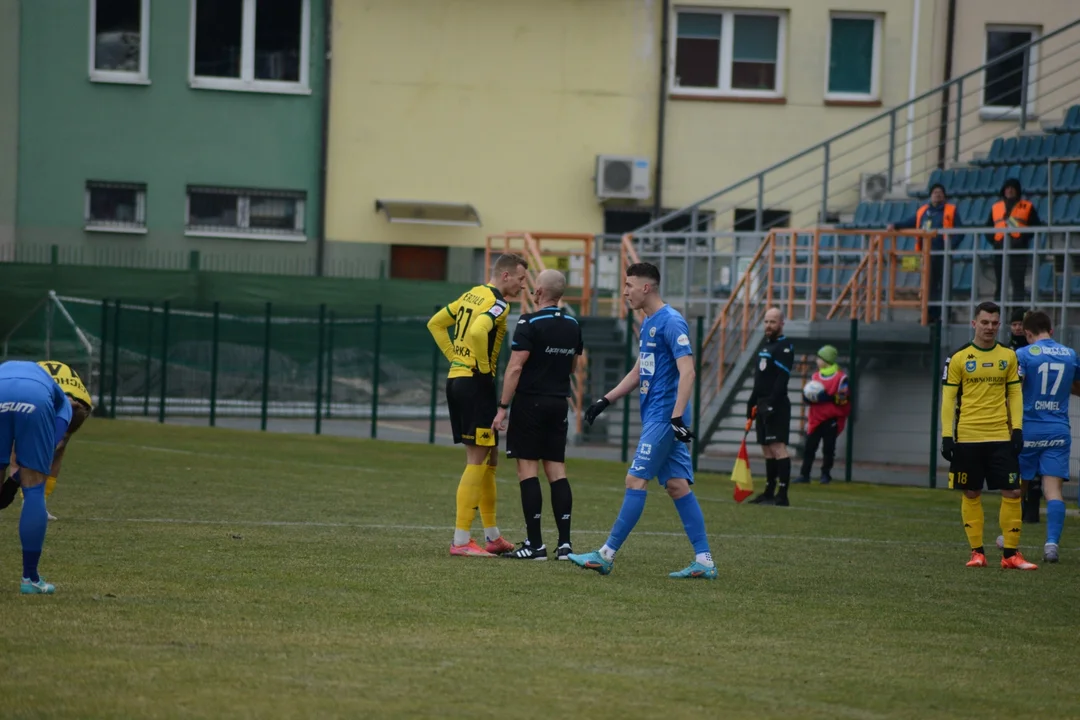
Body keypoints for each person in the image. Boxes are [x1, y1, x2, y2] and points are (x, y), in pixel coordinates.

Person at [570, 262, 716, 579]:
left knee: (635, 480)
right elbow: (640, 371)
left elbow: (688, 371)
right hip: (659, 416)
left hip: (665, 417)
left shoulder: (672, 322)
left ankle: (605, 555)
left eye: (629, 285)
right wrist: (605, 399)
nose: (624, 292)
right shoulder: (649, 322)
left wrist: (676, 415)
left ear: (646, 288)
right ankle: (704, 561)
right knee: (677, 486)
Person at [426, 253, 529, 558]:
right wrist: (483, 367)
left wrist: (453, 356)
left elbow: (436, 323)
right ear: (506, 276)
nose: (524, 286)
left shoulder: (471, 294)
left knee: (490, 458)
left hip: (457, 379)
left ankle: (493, 536)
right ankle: (460, 541)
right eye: (522, 279)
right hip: (475, 383)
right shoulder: (498, 303)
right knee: (477, 460)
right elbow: (477, 331)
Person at [492, 269, 582, 561]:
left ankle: (535, 545)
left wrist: (503, 407)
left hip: (530, 403)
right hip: (559, 404)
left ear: (540, 292)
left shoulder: (528, 321)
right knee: (557, 471)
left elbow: (516, 367)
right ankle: (565, 545)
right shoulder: (572, 324)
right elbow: (573, 366)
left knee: (527, 471)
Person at [940, 301, 1036, 570]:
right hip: (968, 436)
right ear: (974, 323)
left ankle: (1011, 555)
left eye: (995, 323)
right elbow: (948, 399)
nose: (990, 327)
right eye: (985, 322)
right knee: (971, 492)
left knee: (1014, 491)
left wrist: (1017, 429)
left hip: (1000, 436)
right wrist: (948, 436)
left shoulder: (1008, 355)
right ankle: (977, 553)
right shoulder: (958, 358)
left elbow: (1015, 393)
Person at [0, 360, 92, 593]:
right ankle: (30, 579)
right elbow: (52, 445)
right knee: (34, 490)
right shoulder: (62, 403)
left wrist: (11, 481)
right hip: (35, 399)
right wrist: (24, 474)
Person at [1013, 311, 1080, 562]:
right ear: (1051, 331)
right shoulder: (1070, 355)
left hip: (1028, 428)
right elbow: (1076, 386)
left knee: (1017, 488)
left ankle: (1011, 537)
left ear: (1027, 334)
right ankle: (1051, 544)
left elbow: (1015, 388)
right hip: (1058, 429)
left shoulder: (1023, 354)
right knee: (1054, 492)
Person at [0, 361, 95, 521]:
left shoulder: (83, 404)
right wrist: (12, 483)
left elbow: (56, 444)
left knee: (57, 450)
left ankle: (36, 501)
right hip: (26, 389)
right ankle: (30, 497)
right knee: (20, 445)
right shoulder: (47, 401)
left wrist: (14, 482)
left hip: (52, 393)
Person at [889, 182, 958, 321]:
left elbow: (959, 231)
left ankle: (945, 314)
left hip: (944, 253)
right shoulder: (923, 211)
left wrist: (951, 245)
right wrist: (895, 225)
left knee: (944, 283)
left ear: (944, 196)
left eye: (940, 192)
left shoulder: (951, 210)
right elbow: (910, 222)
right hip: (927, 253)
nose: (937, 195)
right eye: (935, 193)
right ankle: (929, 314)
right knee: (928, 283)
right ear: (930, 196)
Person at [747, 307, 795, 506]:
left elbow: (781, 379)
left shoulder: (785, 347)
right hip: (761, 403)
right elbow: (760, 379)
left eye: (772, 322)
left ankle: (782, 494)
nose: (768, 325)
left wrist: (772, 403)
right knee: (766, 449)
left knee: (778, 447)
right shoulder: (765, 347)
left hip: (777, 404)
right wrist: (752, 401)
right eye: (766, 321)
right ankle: (768, 491)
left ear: (781, 323)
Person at [793, 345, 851, 486]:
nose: (817, 360)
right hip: (815, 418)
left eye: (819, 358)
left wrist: (826, 397)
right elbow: (809, 395)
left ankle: (825, 474)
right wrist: (807, 398)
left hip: (831, 418)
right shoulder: (815, 376)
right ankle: (804, 474)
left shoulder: (841, 378)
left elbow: (843, 399)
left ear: (826, 360)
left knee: (828, 448)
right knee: (809, 447)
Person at [984, 178, 1041, 304]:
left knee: (1018, 283)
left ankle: (1017, 316)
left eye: (1012, 187)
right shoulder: (996, 207)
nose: (1009, 190)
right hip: (999, 249)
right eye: (1007, 187)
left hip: (1018, 251)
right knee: (1000, 284)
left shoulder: (1027, 206)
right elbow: (988, 228)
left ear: (1017, 190)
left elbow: (1036, 227)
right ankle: (998, 314)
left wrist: (1022, 239)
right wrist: (994, 241)